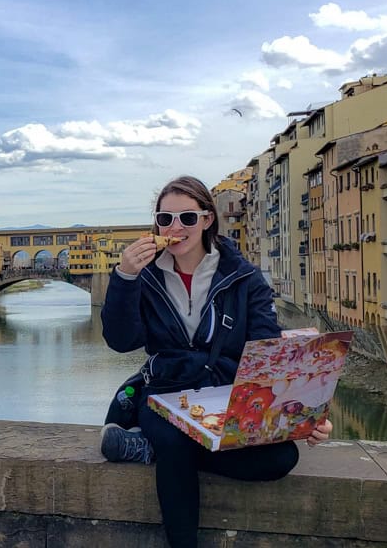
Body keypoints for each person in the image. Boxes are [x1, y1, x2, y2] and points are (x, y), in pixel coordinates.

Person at [97, 175, 333, 548]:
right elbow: (120, 341)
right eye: (165, 219)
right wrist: (124, 277)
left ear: (207, 219)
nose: (176, 228)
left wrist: (305, 414)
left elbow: (268, 351)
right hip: (164, 395)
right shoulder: (144, 277)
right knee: (175, 442)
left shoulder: (245, 279)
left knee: (282, 457)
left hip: (225, 398)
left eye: (187, 218)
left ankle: (146, 448)